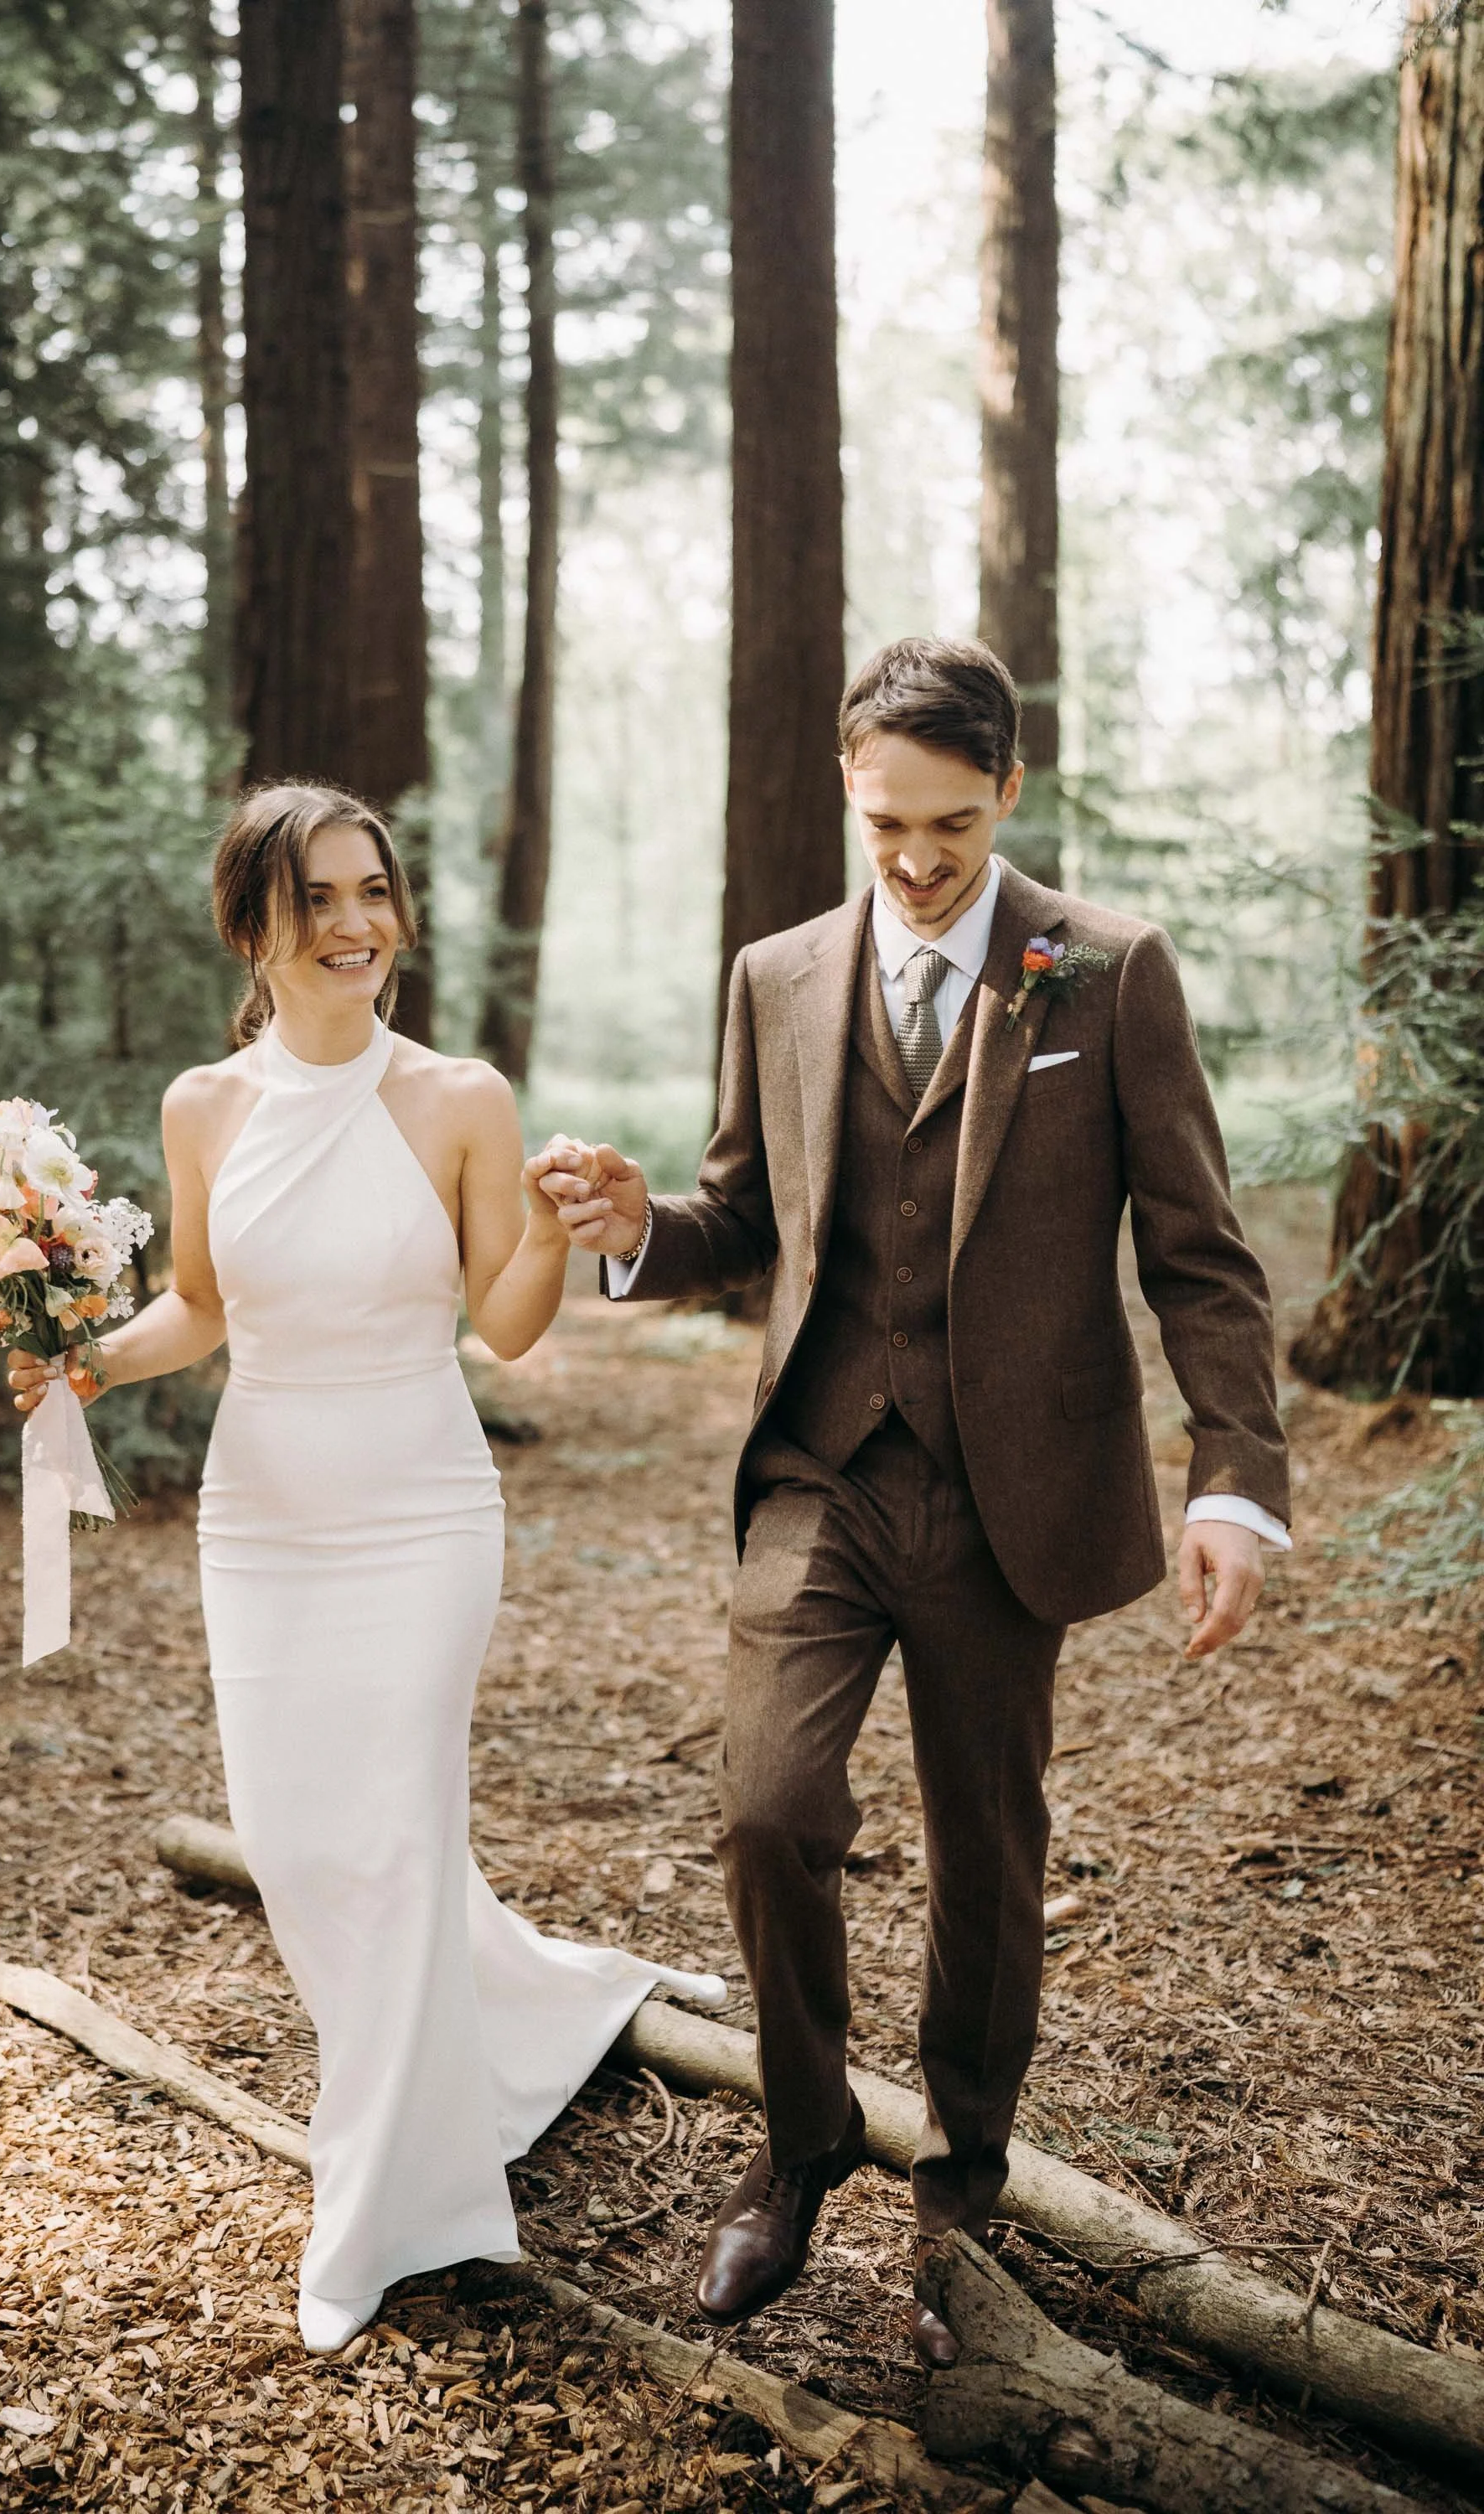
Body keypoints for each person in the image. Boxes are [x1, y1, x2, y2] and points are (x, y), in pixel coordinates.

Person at [540, 639, 1290, 2368]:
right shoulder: (779, 974)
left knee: (985, 1856)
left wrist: (1233, 1487)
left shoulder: (1103, 971)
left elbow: (1200, 1256)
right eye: (888, 823)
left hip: (1007, 1492)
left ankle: (960, 2183)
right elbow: (747, 1212)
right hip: (820, 1468)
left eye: (952, 825)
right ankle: (801, 2144)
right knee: (767, 1810)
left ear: (1007, 793)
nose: (918, 859)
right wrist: (645, 1229)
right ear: (847, 785)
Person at [8, 782, 722, 2355]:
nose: (353, 926)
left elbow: (507, 1323)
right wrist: (85, 1365)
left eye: (373, 893)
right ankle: (541, 2008)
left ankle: (396, 2203)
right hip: (261, 1516)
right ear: (254, 926)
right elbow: (201, 1305)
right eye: (315, 899)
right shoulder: (209, 1106)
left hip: (421, 1511)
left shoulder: (461, 1095)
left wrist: (546, 1226)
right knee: (294, 1837)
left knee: (390, 1833)